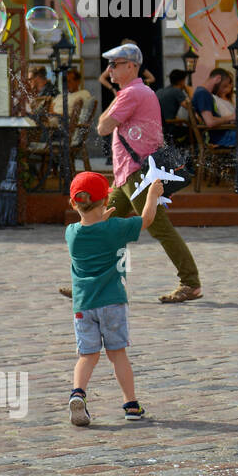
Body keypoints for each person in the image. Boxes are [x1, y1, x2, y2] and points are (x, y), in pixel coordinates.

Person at [56, 43, 202, 303]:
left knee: (159, 229)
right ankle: (90, 282)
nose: (109, 69)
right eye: (110, 64)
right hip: (128, 176)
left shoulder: (132, 93)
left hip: (138, 176)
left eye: (115, 64)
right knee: (102, 223)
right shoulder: (135, 91)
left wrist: (113, 105)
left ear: (132, 66)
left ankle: (190, 283)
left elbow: (102, 127)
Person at [64, 170, 164, 425]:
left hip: (83, 306)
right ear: (106, 201)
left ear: (73, 203)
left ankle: (78, 393)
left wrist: (101, 217)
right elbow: (147, 219)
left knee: (87, 355)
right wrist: (152, 196)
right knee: (117, 354)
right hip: (112, 303)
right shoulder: (117, 228)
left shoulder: (71, 233)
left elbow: (93, 227)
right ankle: (131, 405)